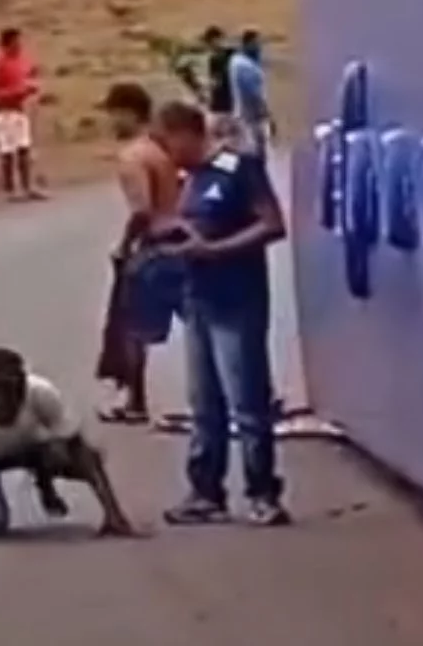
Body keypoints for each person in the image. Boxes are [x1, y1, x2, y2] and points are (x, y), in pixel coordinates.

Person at [150, 100, 291, 527]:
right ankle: (206, 491)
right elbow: (192, 226)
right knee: (204, 402)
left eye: (167, 143)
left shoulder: (238, 168)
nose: (166, 154)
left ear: (186, 134)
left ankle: (263, 491)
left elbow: (271, 224)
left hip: (237, 299)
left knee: (247, 399)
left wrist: (215, 250)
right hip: (198, 298)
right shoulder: (190, 179)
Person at [0, 348, 135, 543]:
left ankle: (44, 484)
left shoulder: (40, 393)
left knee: (75, 453)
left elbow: (79, 448)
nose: (12, 398)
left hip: (26, 451)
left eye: (18, 388)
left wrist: (113, 514)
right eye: (2, 390)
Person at [94, 81, 184, 425]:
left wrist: (124, 246)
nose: (111, 122)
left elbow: (142, 210)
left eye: (114, 114)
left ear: (129, 113)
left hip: (154, 245)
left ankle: (135, 401)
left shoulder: (132, 156)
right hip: (180, 239)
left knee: (131, 326)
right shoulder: (160, 149)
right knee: (199, 316)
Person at [0, 27, 45, 201]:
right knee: (8, 151)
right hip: (5, 112)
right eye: (15, 42)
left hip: (20, 110)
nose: (19, 45)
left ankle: (27, 186)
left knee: (24, 149)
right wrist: (19, 91)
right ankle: (10, 189)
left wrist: (31, 86)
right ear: (7, 44)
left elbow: (28, 77)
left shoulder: (22, 60)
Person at [175, 26, 236, 130]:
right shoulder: (199, 54)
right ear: (213, 40)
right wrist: (196, 87)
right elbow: (181, 69)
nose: (221, 43)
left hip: (215, 98)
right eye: (219, 40)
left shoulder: (223, 54)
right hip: (203, 97)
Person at [228, 29, 272, 155]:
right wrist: (267, 114)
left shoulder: (238, 61)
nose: (259, 47)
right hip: (250, 117)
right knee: (255, 152)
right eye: (256, 43)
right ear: (247, 44)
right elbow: (254, 94)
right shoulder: (244, 65)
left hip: (244, 116)